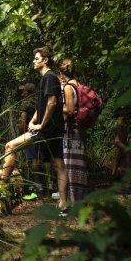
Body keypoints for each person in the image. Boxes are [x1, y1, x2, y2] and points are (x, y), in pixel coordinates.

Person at [0, 46, 66, 213]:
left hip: (47, 130)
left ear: (45, 60)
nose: (34, 61)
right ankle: (63, 205)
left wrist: (41, 125)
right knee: (58, 165)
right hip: (51, 128)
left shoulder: (49, 77)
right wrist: (33, 120)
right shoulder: (47, 78)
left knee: (10, 146)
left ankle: (0, 188)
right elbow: (42, 105)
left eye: (37, 59)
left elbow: (52, 103)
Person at [58, 59, 88, 212]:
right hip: (78, 129)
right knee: (78, 165)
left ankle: (74, 203)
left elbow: (69, 110)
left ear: (62, 73)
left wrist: (56, 107)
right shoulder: (78, 84)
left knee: (69, 165)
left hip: (71, 131)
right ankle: (79, 200)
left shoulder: (69, 87)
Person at [18, 83, 43, 200]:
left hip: (30, 133)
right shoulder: (39, 102)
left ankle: (35, 186)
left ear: (28, 92)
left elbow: (23, 120)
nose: (22, 93)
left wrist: (22, 135)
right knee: (38, 157)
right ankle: (43, 185)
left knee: (32, 159)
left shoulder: (25, 103)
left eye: (24, 91)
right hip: (41, 132)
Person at [111, 105, 131, 179]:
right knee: (128, 153)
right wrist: (123, 143)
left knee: (118, 157)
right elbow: (119, 131)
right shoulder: (120, 120)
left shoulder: (124, 120)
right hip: (119, 141)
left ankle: (113, 174)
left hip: (122, 141)